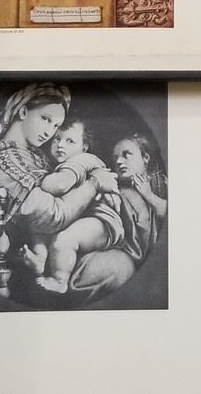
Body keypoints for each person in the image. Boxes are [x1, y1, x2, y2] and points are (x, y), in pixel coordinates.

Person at [0, 84, 117, 263]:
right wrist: (94, 182)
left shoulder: (36, 155)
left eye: (56, 126)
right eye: (46, 119)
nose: (49, 132)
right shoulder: (0, 162)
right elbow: (52, 217)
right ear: (23, 112)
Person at [21, 117, 124, 293]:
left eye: (70, 141)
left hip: (100, 222)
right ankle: (40, 258)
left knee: (63, 240)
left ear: (84, 147)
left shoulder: (82, 160)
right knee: (41, 229)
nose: (61, 145)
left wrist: (44, 183)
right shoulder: (63, 163)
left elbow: (57, 185)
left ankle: (59, 280)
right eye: (57, 139)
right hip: (77, 217)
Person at [111, 133, 168, 265]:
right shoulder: (120, 192)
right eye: (115, 158)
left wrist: (149, 195)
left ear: (145, 158)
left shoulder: (161, 184)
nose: (119, 162)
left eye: (126, 155)